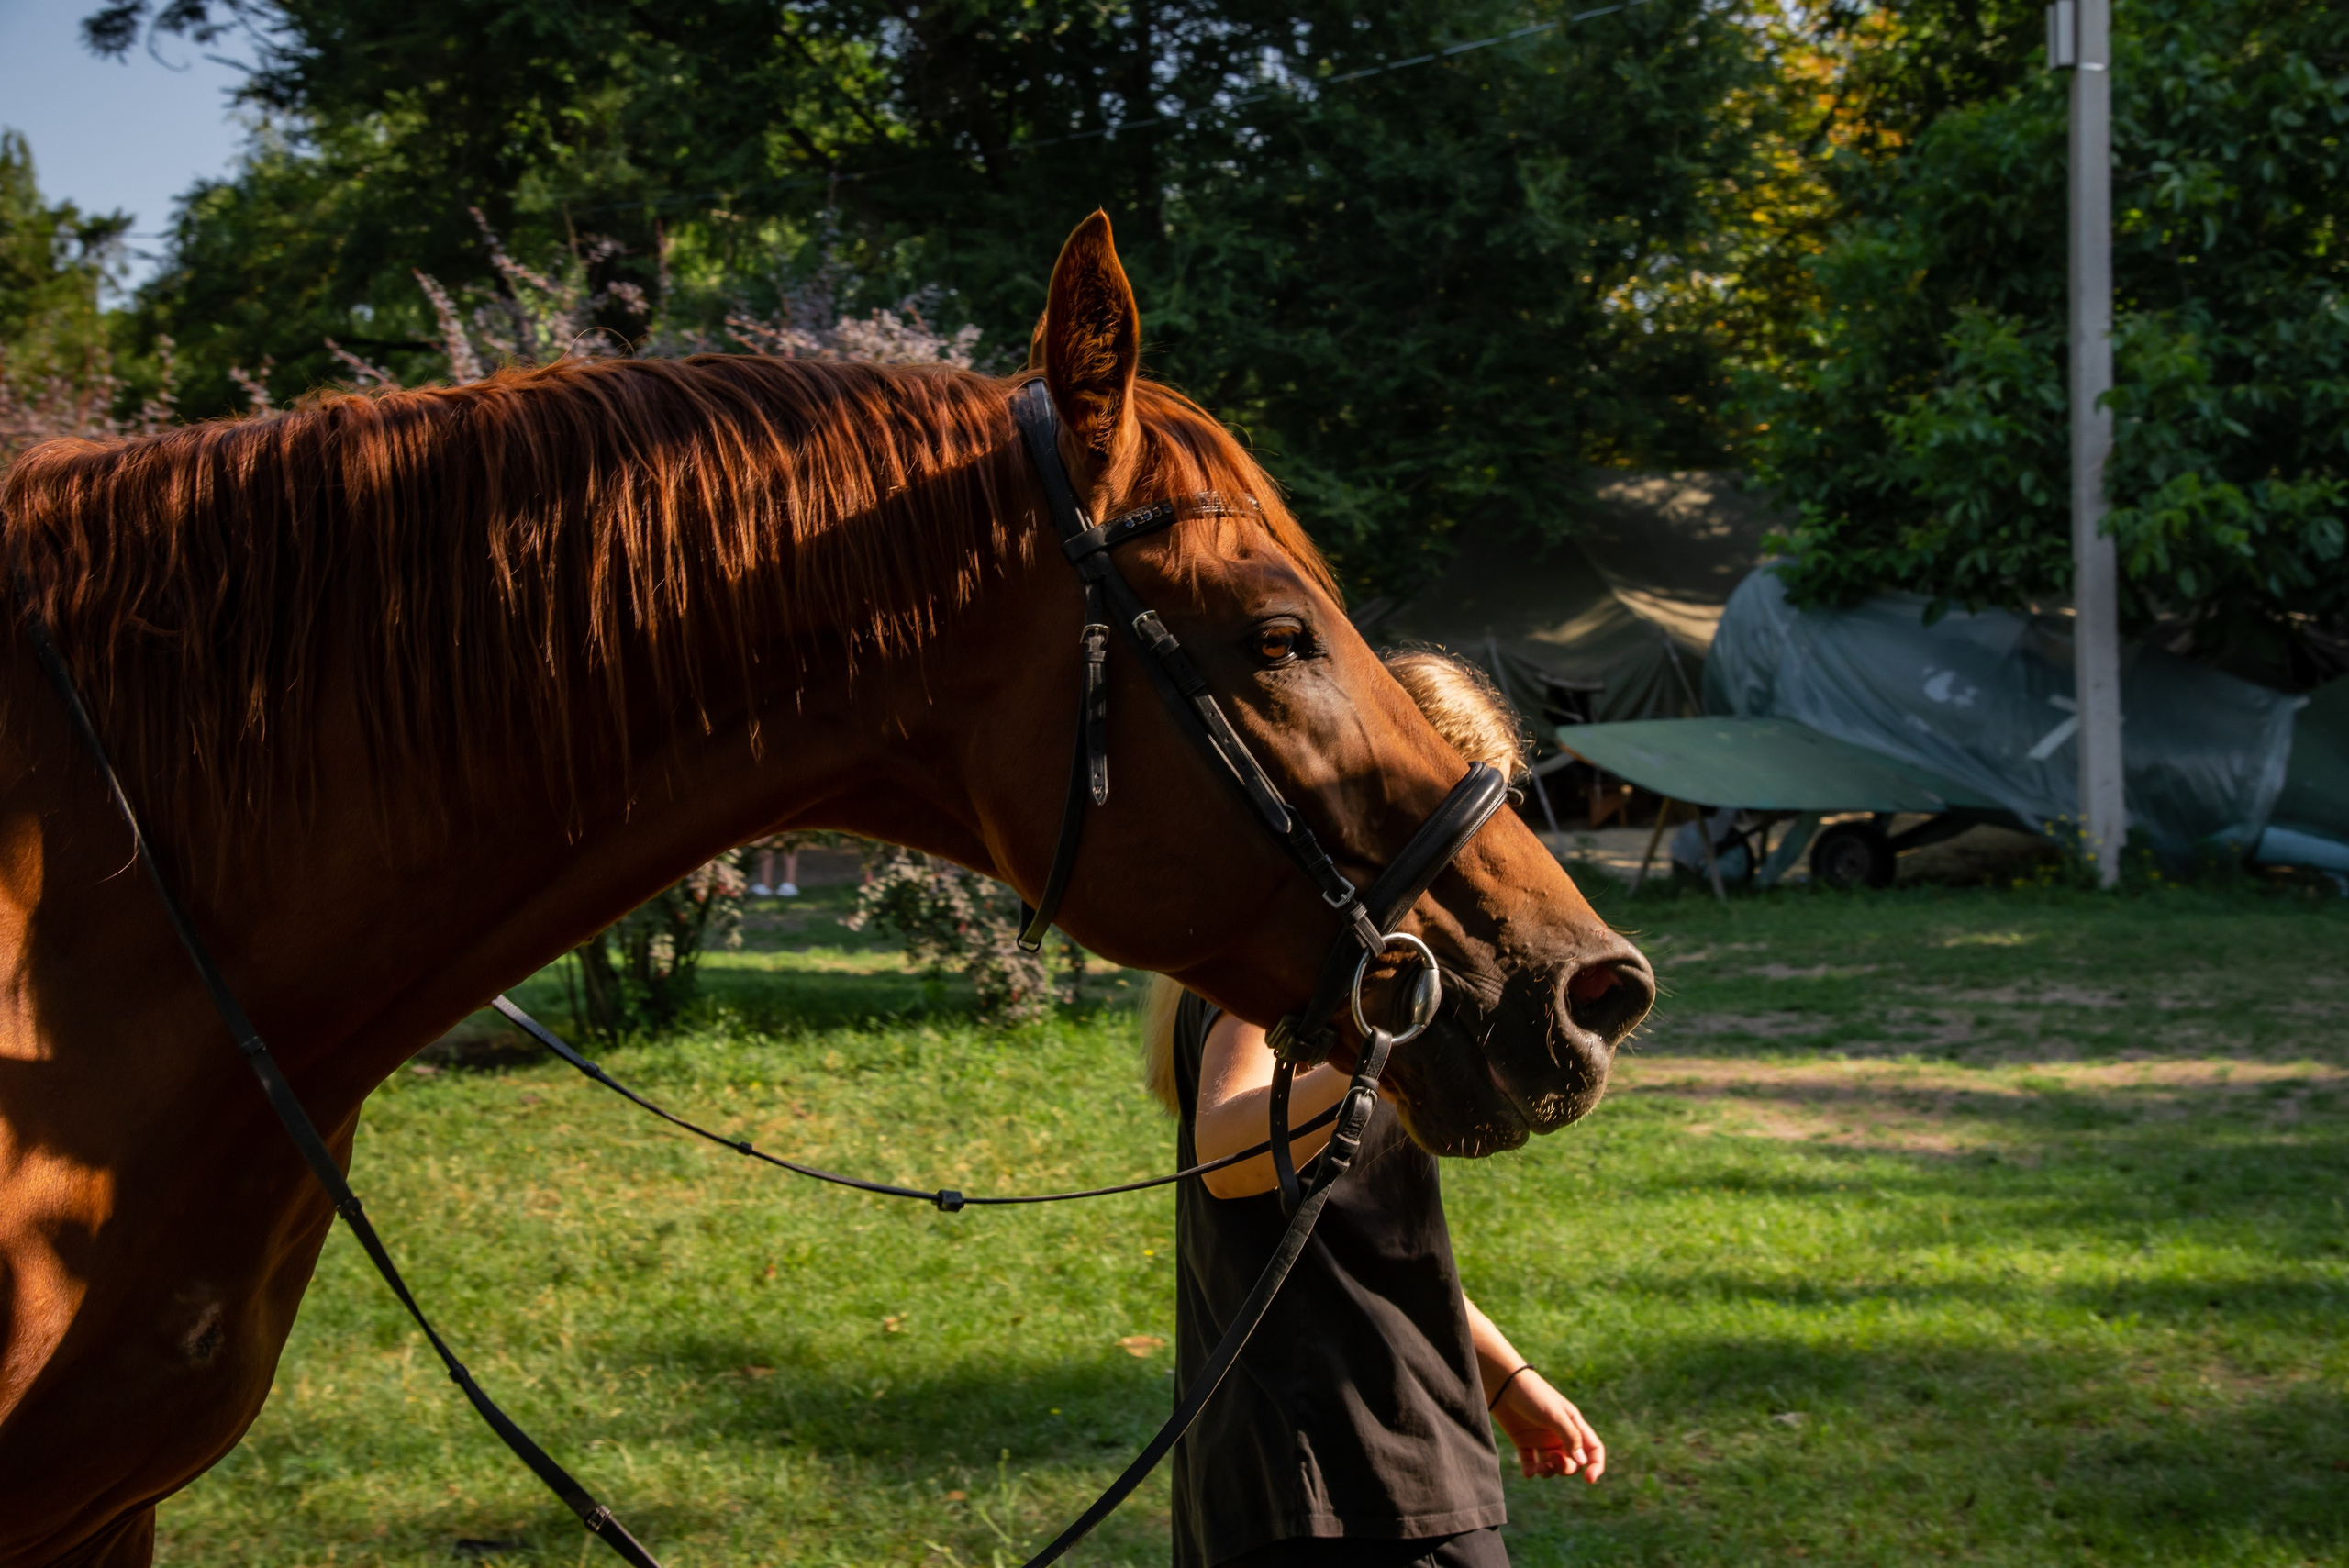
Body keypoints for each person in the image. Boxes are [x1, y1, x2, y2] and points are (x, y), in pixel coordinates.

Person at [1142, 651, 1606, 1568]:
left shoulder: (1363, 972)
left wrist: (1504, 1376)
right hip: (1338, 1468)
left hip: (1366, 1448)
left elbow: (1362, 1238)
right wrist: (1392, 1047)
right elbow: (1229, 1151)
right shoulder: (1286, 968)